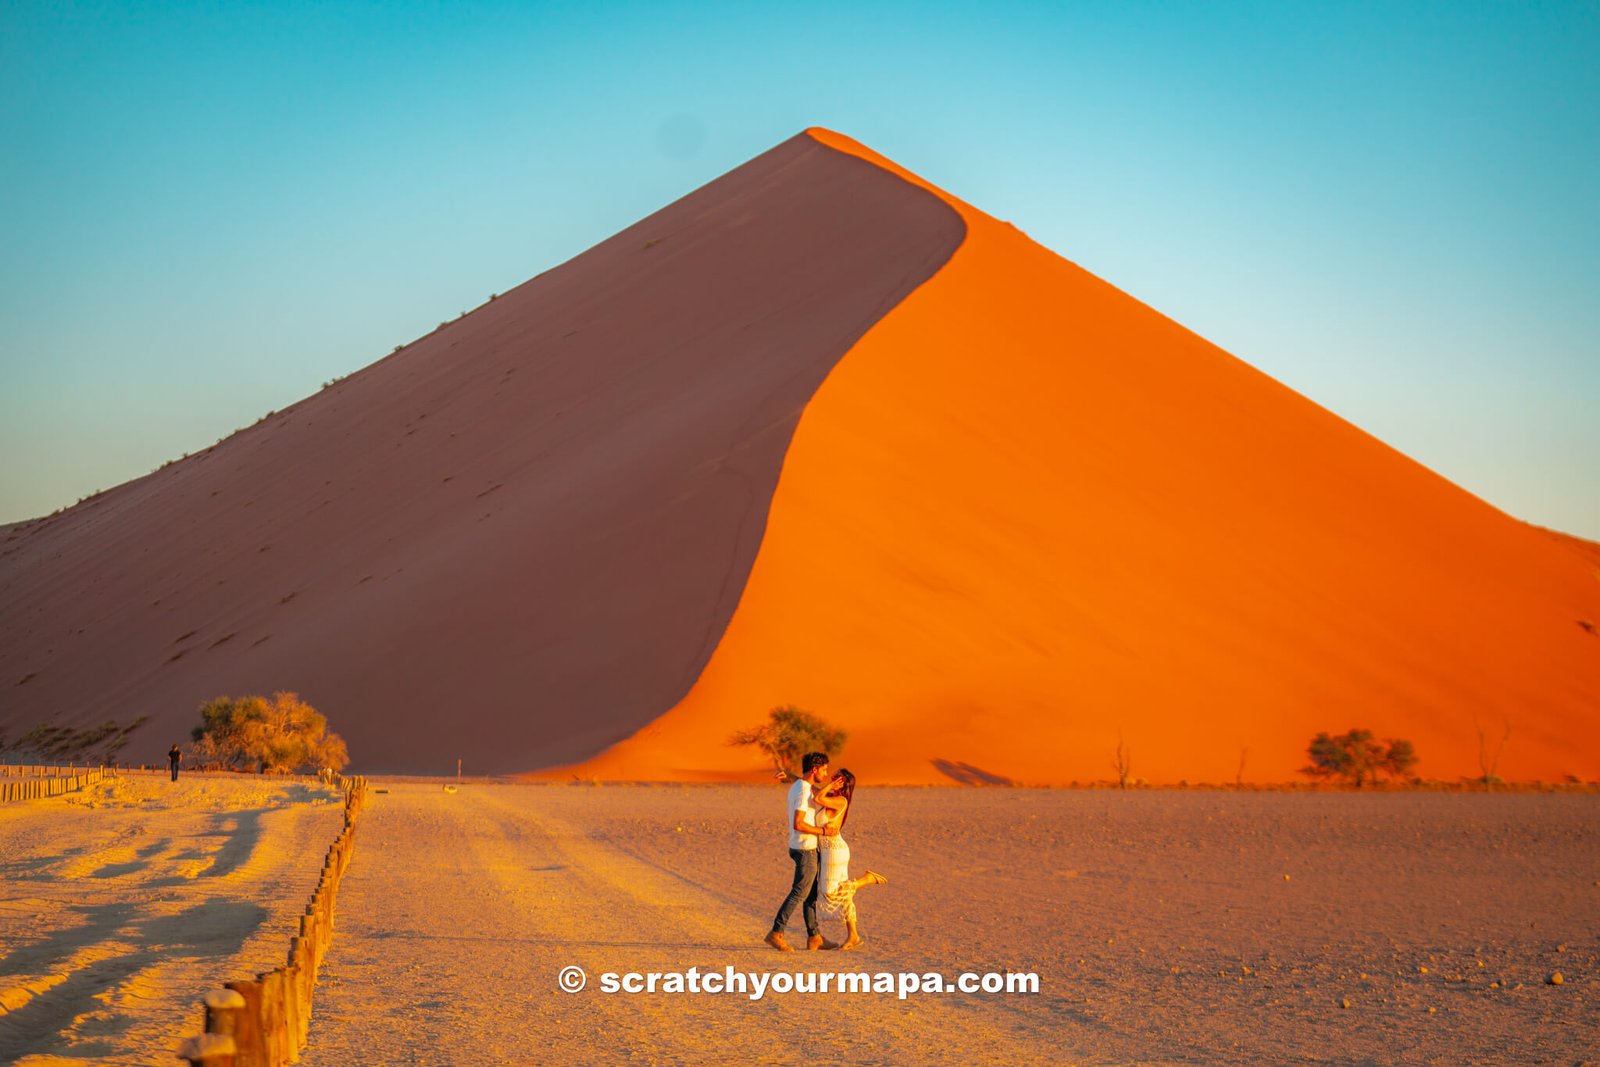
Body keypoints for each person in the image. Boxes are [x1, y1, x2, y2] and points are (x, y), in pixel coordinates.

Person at [764, 752, 841, 951]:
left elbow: (814, 790)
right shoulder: (802, 791)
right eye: (824, 769)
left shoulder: (801, 786)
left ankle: (814, 937)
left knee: (810, 895)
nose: (826, 773)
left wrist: (790, 774)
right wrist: (824, 831)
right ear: (815, 769)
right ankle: (776, 932)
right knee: (799, 892)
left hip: (806, 847)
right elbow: (799, 823)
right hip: (804, 847)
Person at [810, 768, 887, 950]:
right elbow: (810, 788)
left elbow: (816, 799)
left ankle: (865, 880)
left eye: (836, 777)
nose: (831, 778)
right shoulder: (830, 795)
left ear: (842, 782)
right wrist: (790, 776)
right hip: (829, 849)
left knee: (829, 890)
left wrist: (829, 785)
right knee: (842, 895)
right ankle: (853, 935)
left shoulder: (840, 801)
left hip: (834, 851)